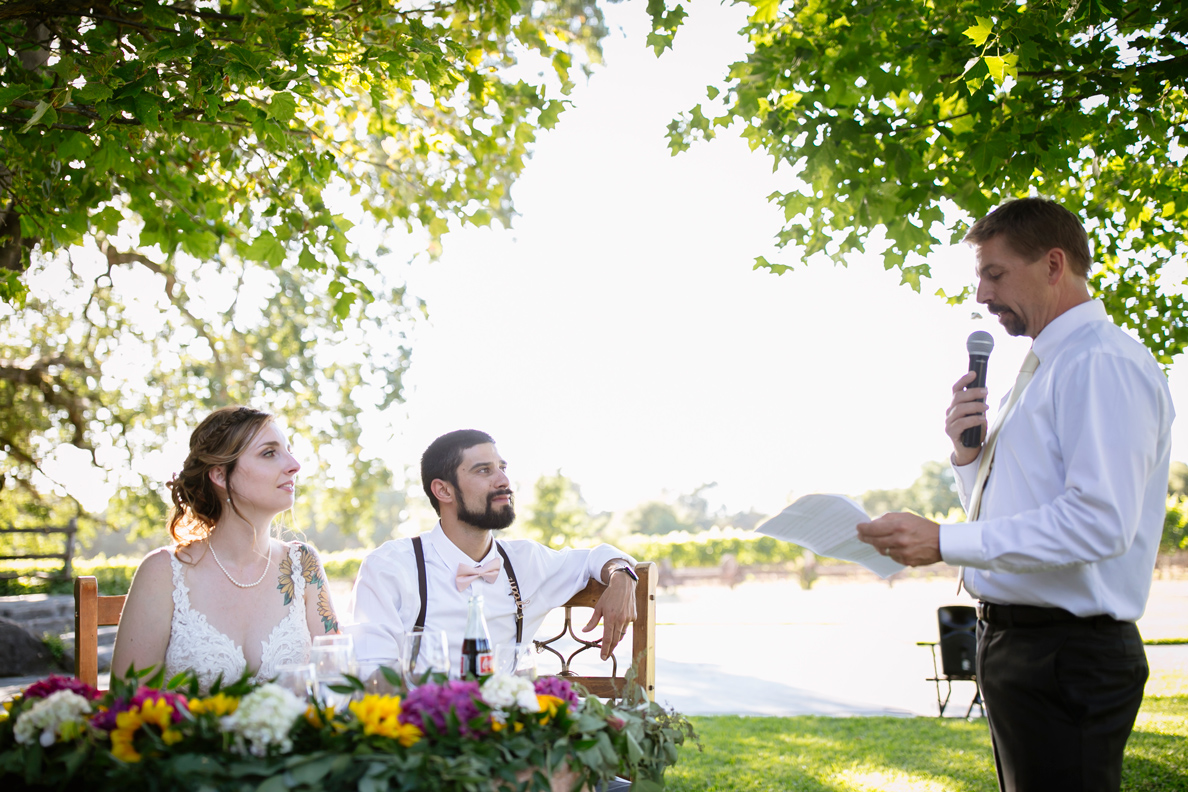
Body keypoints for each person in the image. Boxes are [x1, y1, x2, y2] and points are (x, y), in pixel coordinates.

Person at [856, 197, 1174, 791]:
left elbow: (1099, 524)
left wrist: (945, 541)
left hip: (1066, 655)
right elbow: (1020, 506)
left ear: (1054, 264)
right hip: (1021, 647)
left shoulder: (1100, 363)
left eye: (995, 273)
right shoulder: (1045, 369)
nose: (981, 295)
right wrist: (969, 459)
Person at [347, 429, 638, 675]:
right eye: (484, 470)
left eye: (502, 468)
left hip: (508, 733)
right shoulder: (390, 567)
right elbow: (374, 673)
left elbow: (594, 557)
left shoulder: (526, 562)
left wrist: (622, 576)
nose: (503, 481)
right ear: (444, 491)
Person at [112, 406, 339, 692]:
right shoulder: (163, 573)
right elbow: (127, 705)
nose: (295, 464)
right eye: (269, 453)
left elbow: (335, 679)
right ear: (220, 475)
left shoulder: (304, 565)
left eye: (288, 450)